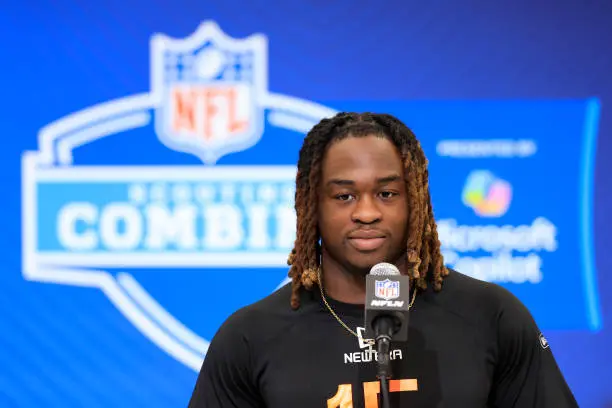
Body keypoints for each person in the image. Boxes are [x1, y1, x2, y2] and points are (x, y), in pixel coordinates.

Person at [187, 112, 579, 407]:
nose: (367, 212)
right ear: (312, 207)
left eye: (387, 194)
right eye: (345, 196)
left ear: (416, 202)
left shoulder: (491, 315)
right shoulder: (249, 337)